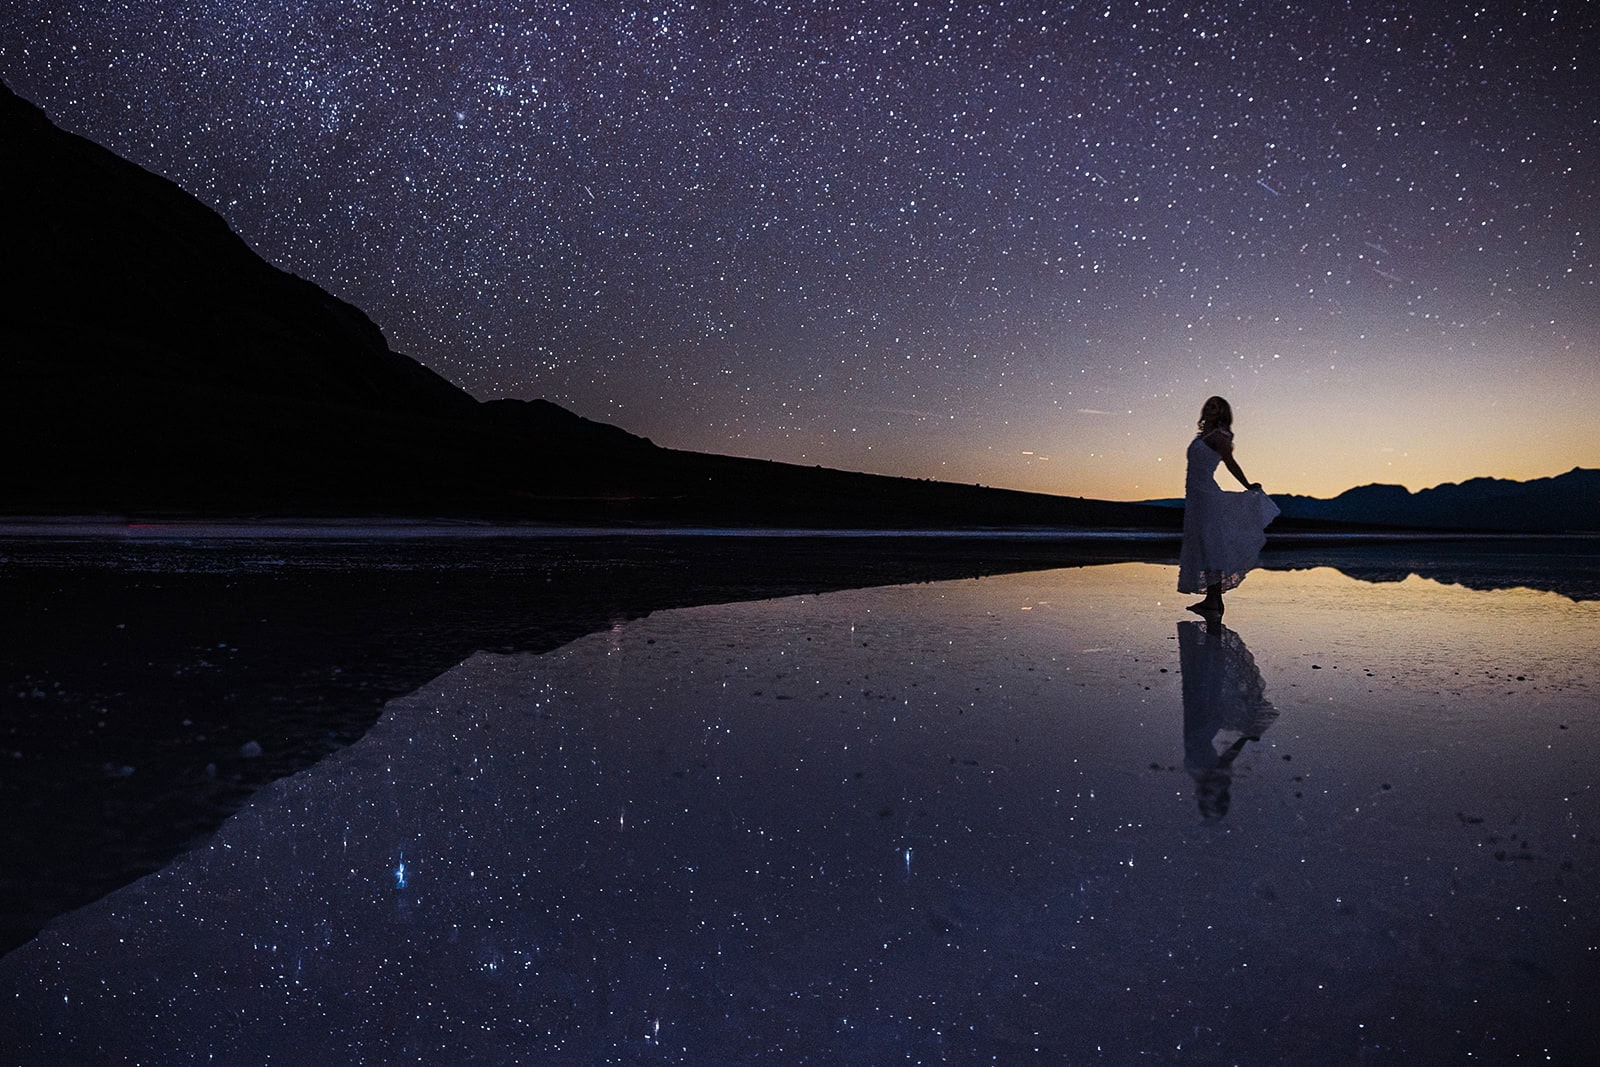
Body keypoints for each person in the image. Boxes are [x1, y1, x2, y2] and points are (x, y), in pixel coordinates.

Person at [1177, 396, 1280, 615]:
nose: (1211, 409)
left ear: (1223, 413)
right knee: (1203, 543)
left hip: (1206, 495)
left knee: (1210, 543)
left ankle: (1214, 601)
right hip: (1195, 496)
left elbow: (1230, 462)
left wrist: (1247, 484)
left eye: (1217, 407)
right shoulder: (1202, 435)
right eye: (1209, 405)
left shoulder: (1219, 436)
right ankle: (1212, 600)